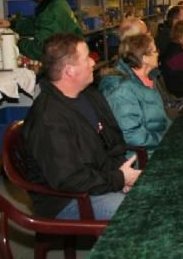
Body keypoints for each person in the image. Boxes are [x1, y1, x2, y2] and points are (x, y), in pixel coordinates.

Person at [21, 33, 141, 219]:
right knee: (137, 214)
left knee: (156, 194)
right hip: (67, 199)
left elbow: (113, 143)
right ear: (69, 71)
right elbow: (69, 179)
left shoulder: (90, 95)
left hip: (99, 180)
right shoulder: (48, 118)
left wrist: (122, 175)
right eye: (86, 58)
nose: (93, 62)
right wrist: (118, 179)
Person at [99, 34, 171, 153]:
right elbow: (133, 136)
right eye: (154, 51)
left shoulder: (149, 78)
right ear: (144, 58)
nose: (158, 53)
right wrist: (166, 139)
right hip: (143, 155)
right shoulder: (122, 90)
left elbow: (161, 119)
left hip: (156, 142)